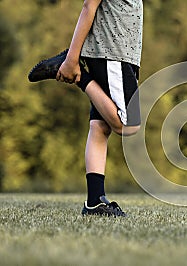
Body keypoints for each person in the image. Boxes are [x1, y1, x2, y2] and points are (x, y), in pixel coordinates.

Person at [28, 0, 143, 217]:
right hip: (112, 52)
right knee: (127, 124)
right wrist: (72, 60)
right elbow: (88, 5)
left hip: (119, 54)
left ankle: (94, 202)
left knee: (100, 127)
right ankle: (82, 77)